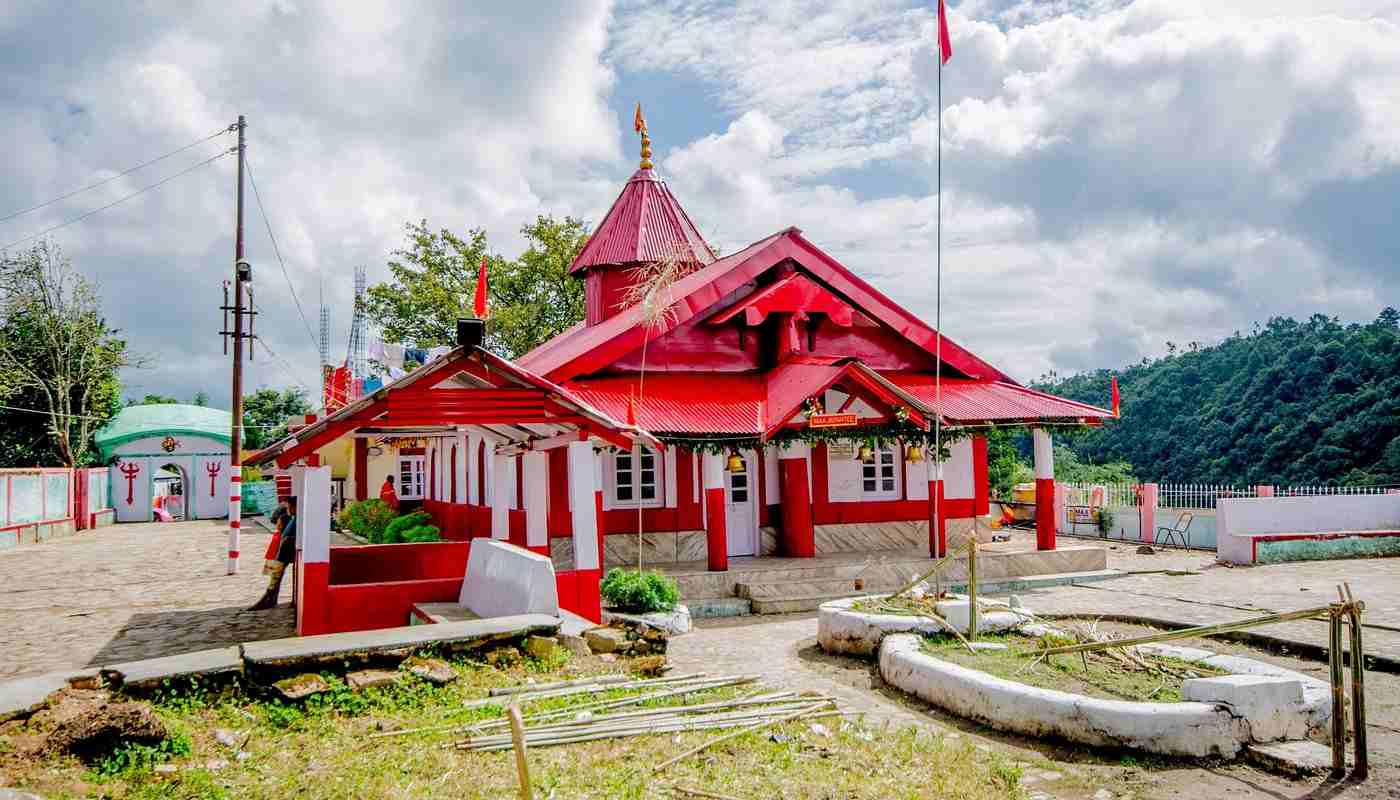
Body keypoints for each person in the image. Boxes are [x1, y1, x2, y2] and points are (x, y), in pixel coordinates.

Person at [250, 495, 297, 610]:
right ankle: (271, 595)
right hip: (284, 547)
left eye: (290, 507)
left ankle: (271, 595)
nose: (288, 509)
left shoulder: (295, 519)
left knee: (277, 571)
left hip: (288, 548)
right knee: (276, 571)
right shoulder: (290, 517)